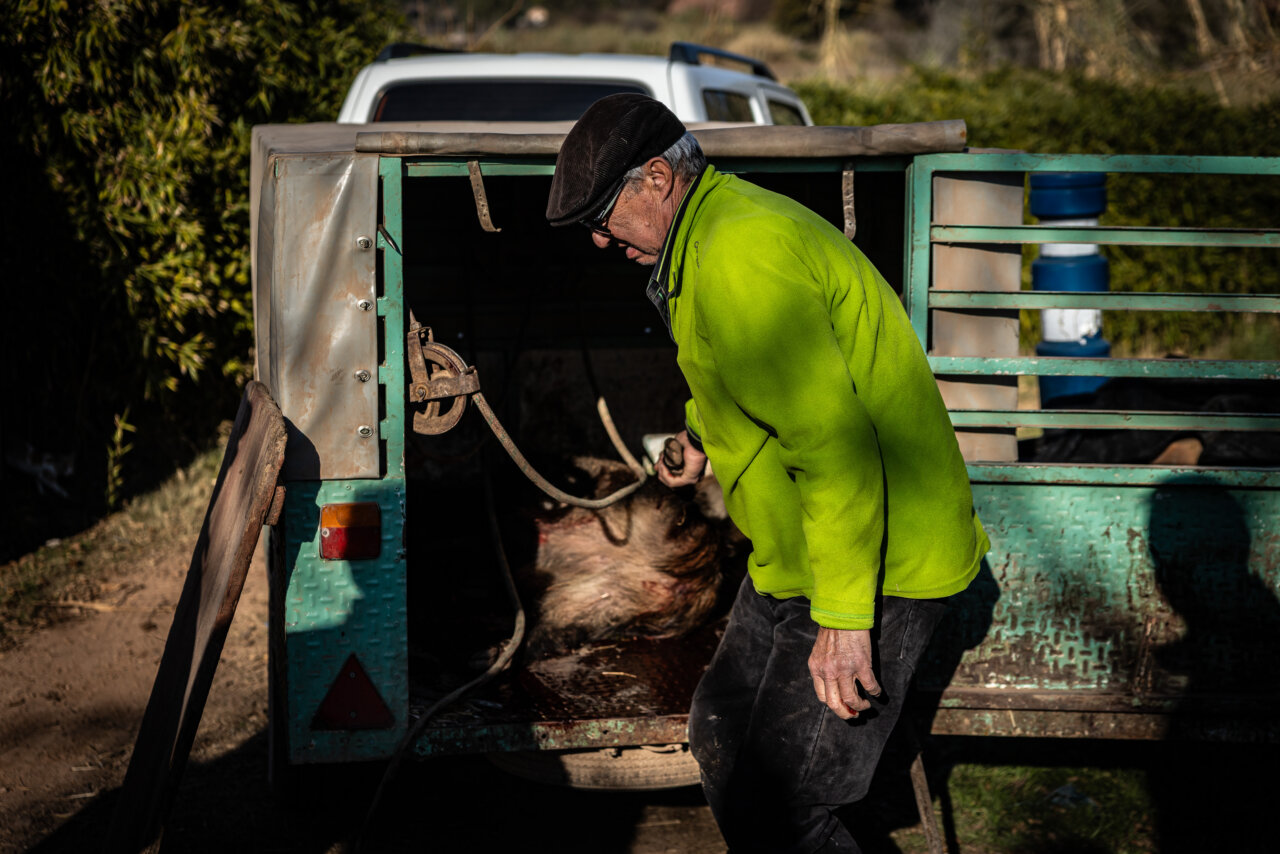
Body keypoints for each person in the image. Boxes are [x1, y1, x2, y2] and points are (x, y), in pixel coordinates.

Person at [546, 94, 989, 853]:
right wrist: (698, 439)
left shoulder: (740, 256)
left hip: (874, 568)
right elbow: (744, 381)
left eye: (601, 214)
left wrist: (847, 621)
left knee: (784, 806)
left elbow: (834, 449)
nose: (597, 239)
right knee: (720, 733)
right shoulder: (705, 241)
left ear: (656, 177)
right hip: (798, 557)